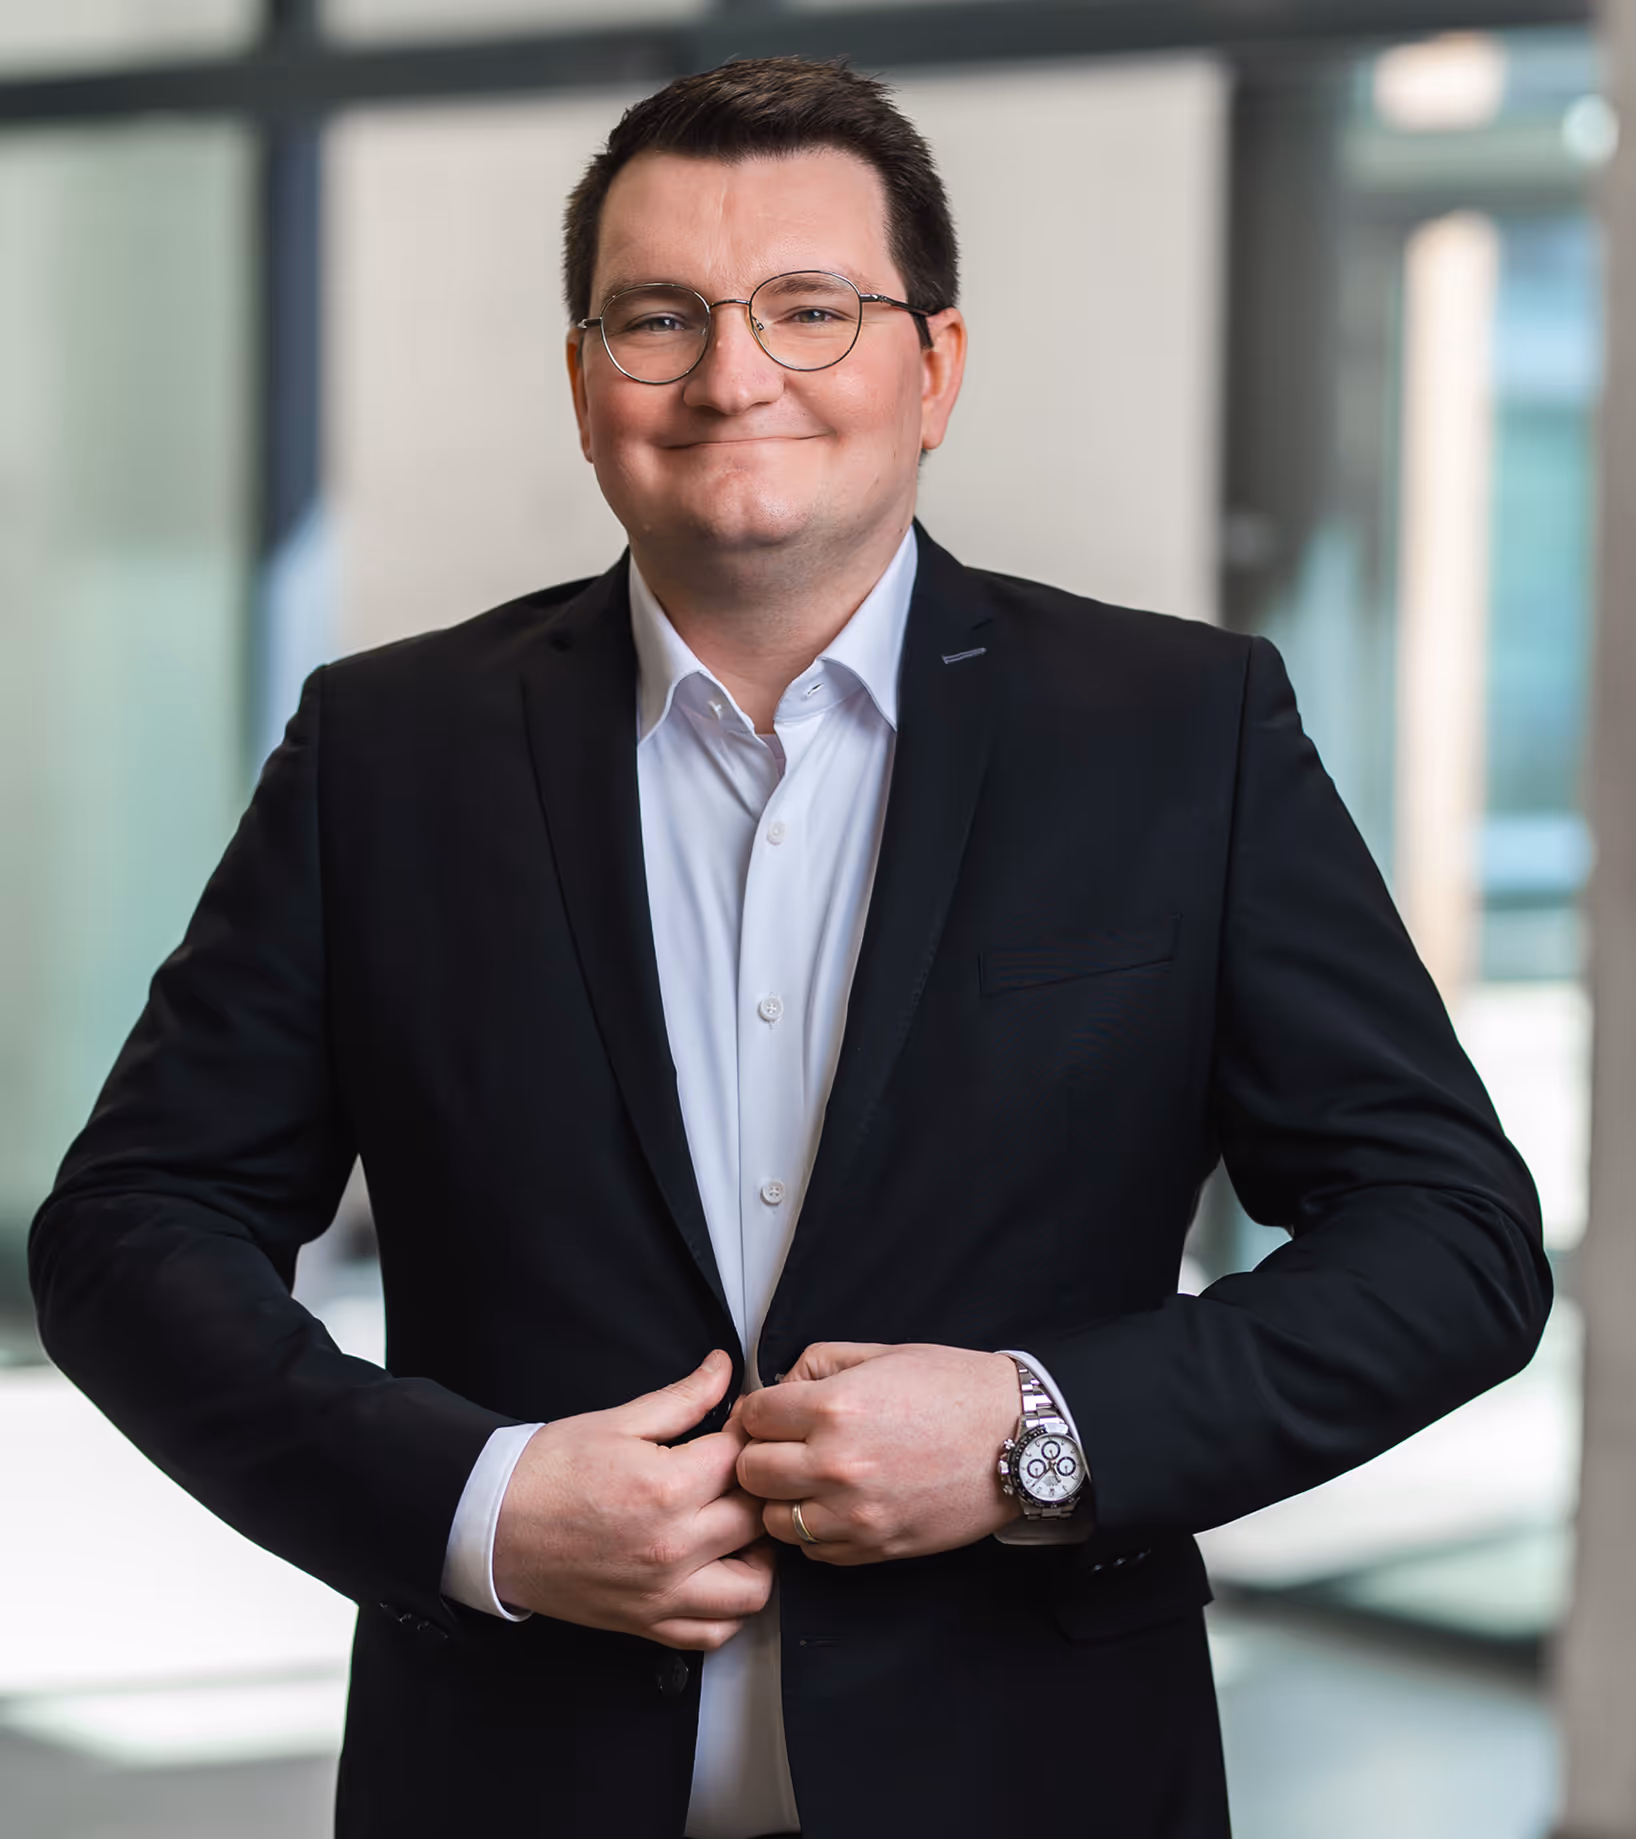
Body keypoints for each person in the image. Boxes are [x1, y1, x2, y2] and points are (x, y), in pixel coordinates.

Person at [29, 55, 1549, 1839]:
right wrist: (476, 1499)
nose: (733, 374)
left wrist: (1036, 1428)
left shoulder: (1176, 733)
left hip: (1035, 1782)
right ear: (585, 384)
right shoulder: (388, 752)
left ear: (936, 367)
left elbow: (1451, 1238)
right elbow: (131, 1230)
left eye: (811, 308)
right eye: (658, 317)